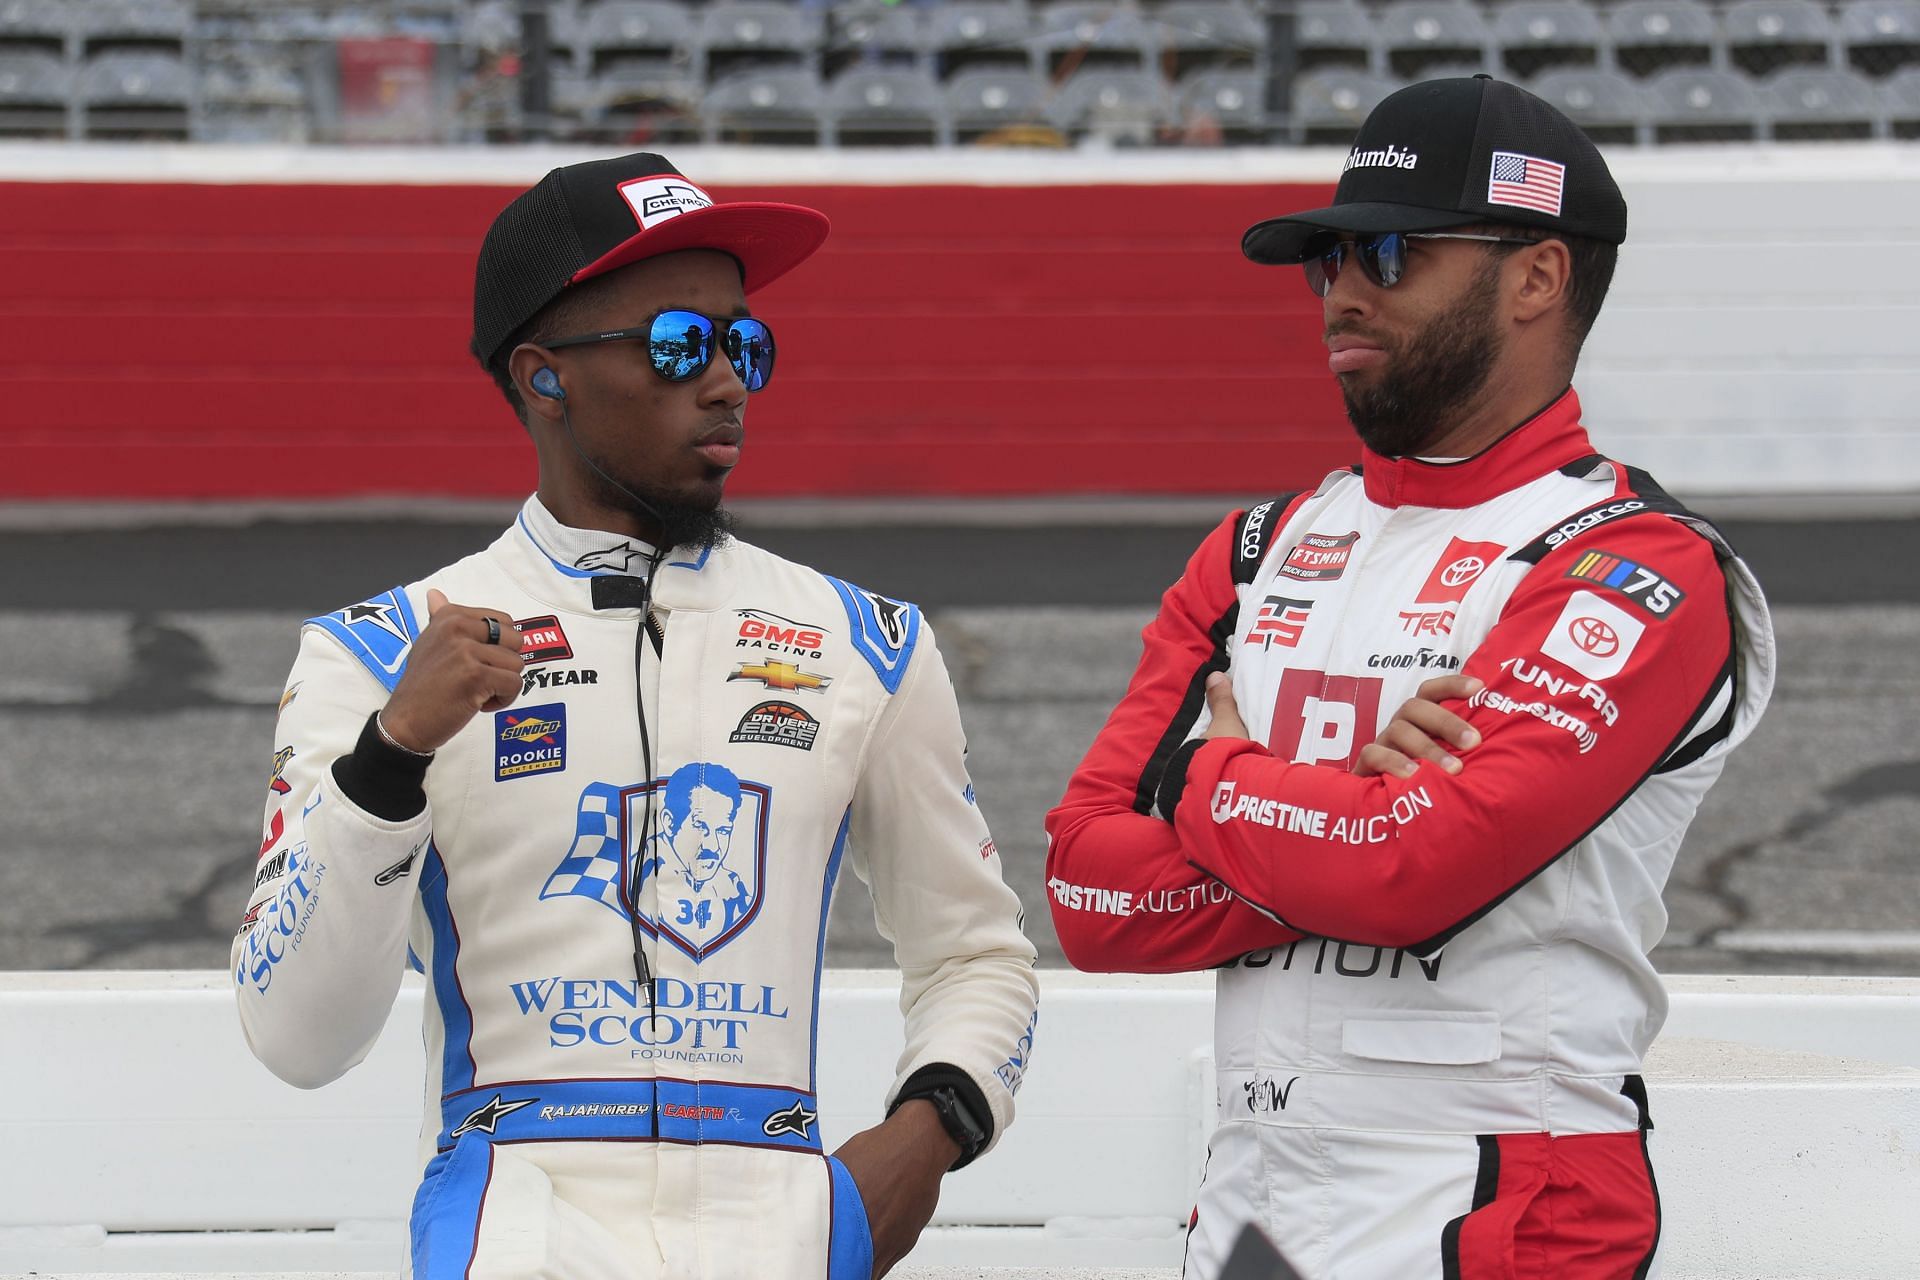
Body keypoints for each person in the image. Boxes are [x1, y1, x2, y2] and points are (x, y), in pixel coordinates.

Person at [234, 152, 1040, 1280]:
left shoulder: (867, 641)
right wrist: (391, 756)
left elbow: (977, 955)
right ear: (542, 374)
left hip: (788, 1229)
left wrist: (924, 1138)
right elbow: (295, 1037)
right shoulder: (376, 653)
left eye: (742, 343)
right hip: (518, 1232)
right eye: (675, 344)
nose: (726, 381)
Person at [1045, 76, 1774, 1280]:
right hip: (1254, 1196)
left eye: (1389, 251)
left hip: (1509, 1189)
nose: (1342, 288)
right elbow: (1090, 899)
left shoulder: (1634, 561)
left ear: (1537, 276)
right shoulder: (1254, 546)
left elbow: (1407, 869)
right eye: (1325, 257)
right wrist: (1338, 798)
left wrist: (1214, 779)